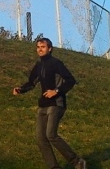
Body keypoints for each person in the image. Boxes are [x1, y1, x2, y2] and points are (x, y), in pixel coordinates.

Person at [12, 38, 86, 169]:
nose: (40, 49)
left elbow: (70, 80)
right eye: (38, 47)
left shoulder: (56, 63)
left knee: (51, 135)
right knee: (41, 139)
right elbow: (32, 82)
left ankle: (77, 162)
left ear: (50, 49)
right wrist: (21, 89)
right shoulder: (38, 65)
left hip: (56, 104)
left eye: (43, 47)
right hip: (43, 105)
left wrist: (56, 91)